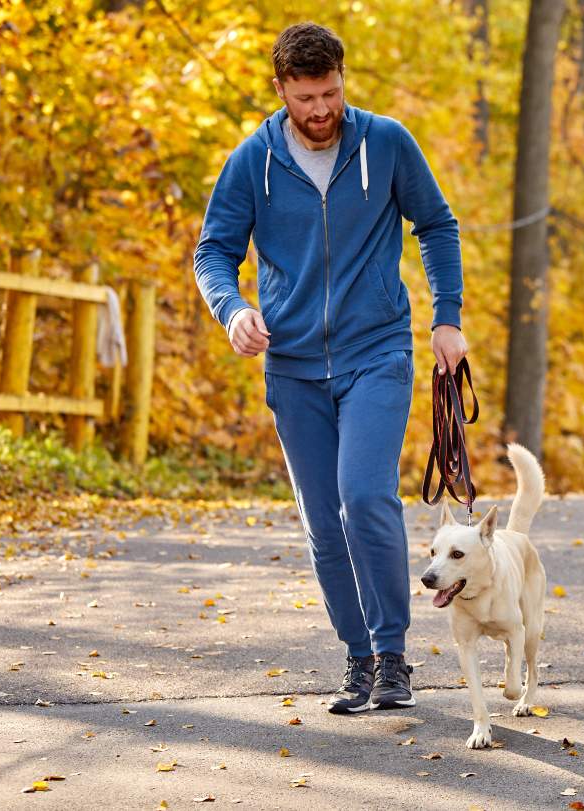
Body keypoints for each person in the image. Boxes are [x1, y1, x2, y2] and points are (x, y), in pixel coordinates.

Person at [193, 21, 467, 714]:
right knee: (323, 521)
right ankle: (360, 657)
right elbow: (213, 252)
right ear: (282, 88)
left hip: (376, 350)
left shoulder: (386, 142)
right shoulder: (251, 162)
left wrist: (447, 316)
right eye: (307, 96)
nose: (322, 110)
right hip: (290, 366)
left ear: (344, 80)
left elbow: (436, 224)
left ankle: (394, 653)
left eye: (332, 92)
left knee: (364, 496)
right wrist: (232, 310)